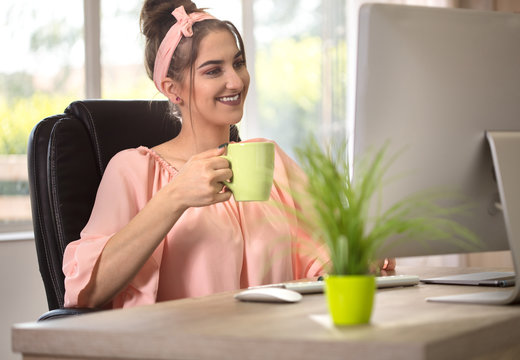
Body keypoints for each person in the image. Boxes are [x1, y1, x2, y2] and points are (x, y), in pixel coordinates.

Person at [62, 0, 325, 309]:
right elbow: (85, 292)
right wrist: (175, 196)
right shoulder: (133, 170)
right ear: (173, 89)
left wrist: (359, 263)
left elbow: (323, 256)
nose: (236, 81)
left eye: (238, 63)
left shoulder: (273, 161)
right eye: (213, 70)